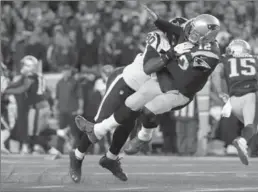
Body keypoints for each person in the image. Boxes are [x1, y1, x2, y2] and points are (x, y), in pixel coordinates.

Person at [69, 8, 220, 183]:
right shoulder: (159, 38)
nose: (186, 36)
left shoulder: (189, 45)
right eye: (183, 32)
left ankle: (110, 159)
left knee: (125, 126)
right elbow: (149, 67)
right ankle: (77, 157)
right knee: (100, 123)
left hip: (149, 88)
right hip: (127, 82)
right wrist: (172, 53)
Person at [3, 55, 68, 156]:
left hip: (37, 108)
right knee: (39, 132)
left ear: (31, 66)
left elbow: (22, 89)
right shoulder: (39, 76)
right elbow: (46, 92)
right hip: (43, 106)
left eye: (24, 65)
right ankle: (59, 133)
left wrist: (7, 91)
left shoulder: (31, 77)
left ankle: (51, 149)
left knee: (32, 135)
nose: (22, 67)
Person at [211, 39, 258, 165]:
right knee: (251, 126)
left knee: (254, 126)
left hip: (233, 101)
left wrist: (220, 92)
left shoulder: (225, 59)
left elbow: (215, 74)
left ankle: (244, 142)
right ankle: (242, 141)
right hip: (250, 96)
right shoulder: (254, 59)